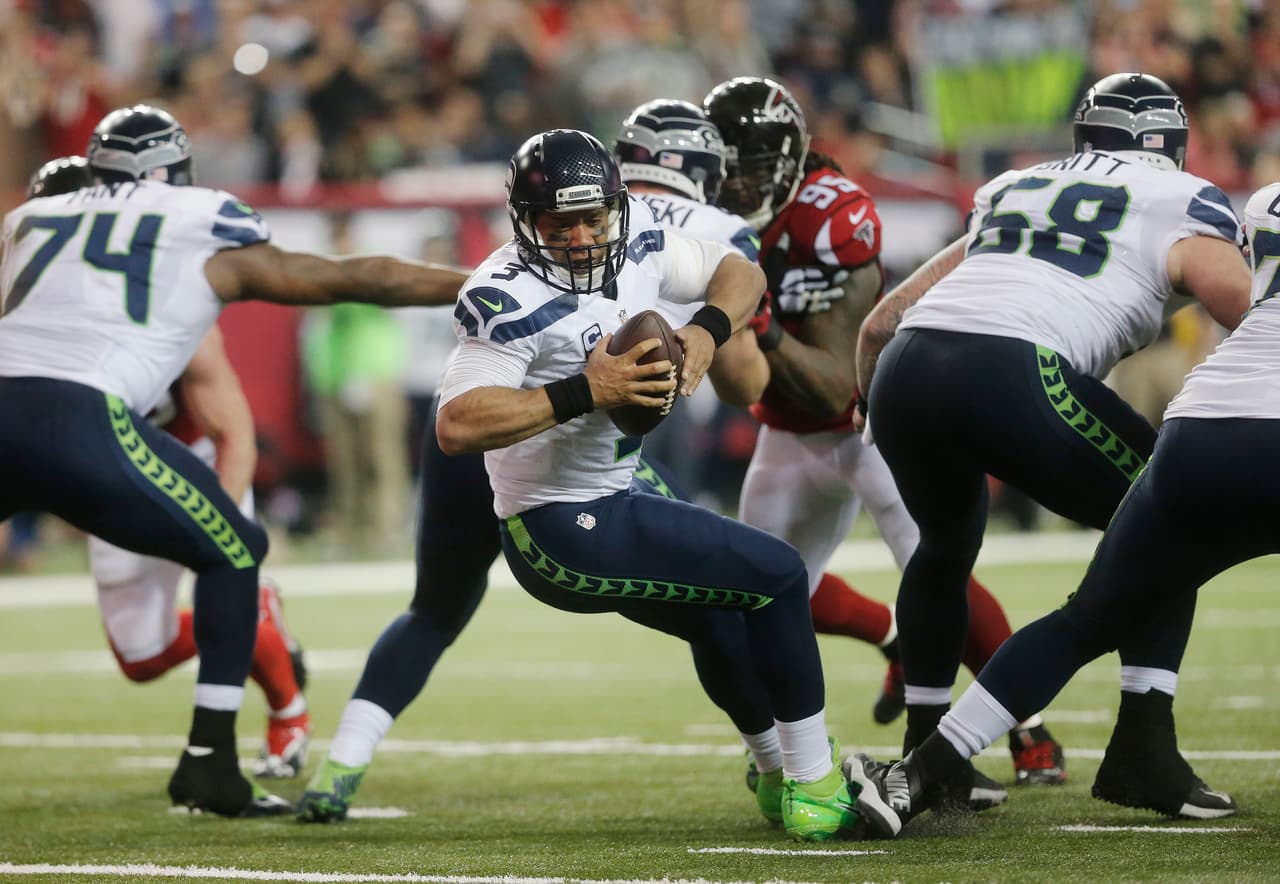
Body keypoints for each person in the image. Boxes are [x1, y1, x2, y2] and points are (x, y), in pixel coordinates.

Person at [297, 103, 778, 825]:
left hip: (484, 426)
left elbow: (428, 289)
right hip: (549, 452)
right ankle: (777, 763)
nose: (580, 235)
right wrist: (704, 340)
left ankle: (341, 764)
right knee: (715, 605)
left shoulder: (539, 240)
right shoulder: (672, 231)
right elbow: (749, 384)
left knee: (434, 611)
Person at [376, 126, 859, 842]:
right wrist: (585, 390)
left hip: (618, 490)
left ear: (617, 208)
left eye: (592, 217)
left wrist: (706, 332)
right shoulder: (501, 294)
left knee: (724, 612)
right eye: (557, 222)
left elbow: (741, 272)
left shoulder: (639, 243)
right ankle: (816, 785)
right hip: (557, 527)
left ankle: (776, 774)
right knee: (779, 575)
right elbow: (456, 424)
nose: (578, 236)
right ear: (525, 223)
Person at [0, 104, 470, 818]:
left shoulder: (29, 222)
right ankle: (209, 763)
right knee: (236, 548)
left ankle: (247, 721)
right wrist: (478, 282)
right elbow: (355, 278)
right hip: (79, 414)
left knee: (155, 634)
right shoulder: (194, 221)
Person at [847, 72, 1251, 828]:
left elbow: (882, 322)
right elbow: (1250, 314)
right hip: (1011, 367)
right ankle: (1143, 746)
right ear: (1171, 142)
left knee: (942, 550)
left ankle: (927, 746)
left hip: (908, 366)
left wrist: (874, 410)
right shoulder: (1180, 198)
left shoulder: (1015, 186)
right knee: (1176, 516)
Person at [702, 76, 1062, 791]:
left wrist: (754, 319)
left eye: (745, 167)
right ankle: (891, 643)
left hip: (872, 422)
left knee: (934, 571)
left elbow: (838, 380)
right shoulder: (708, 216)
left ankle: (1030, 730)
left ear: (781, 159)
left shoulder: (833, 213)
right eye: (723, 167)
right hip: (788, 429)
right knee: (757, 595)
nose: (731, 185)